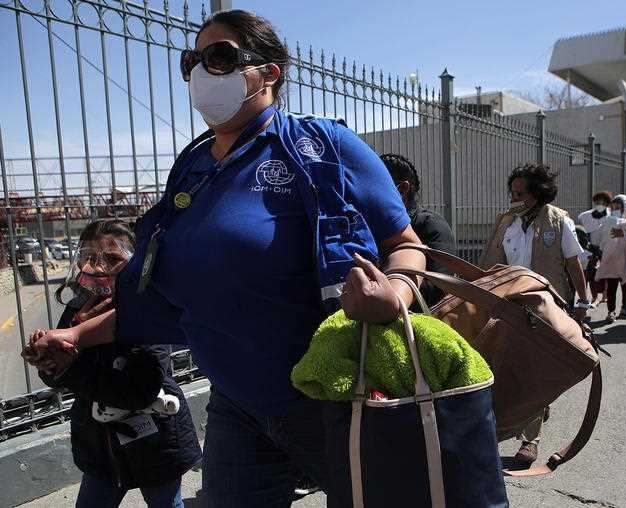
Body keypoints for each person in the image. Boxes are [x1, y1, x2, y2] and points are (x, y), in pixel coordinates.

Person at [23, 10, 426, 507]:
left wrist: (395, 293)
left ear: (269, 72)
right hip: (237, 406)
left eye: (218, 57)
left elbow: (405, 245)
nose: (198, 72)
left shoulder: (324, 147)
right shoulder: (191, 168)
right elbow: (165, 296)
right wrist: (75, 336)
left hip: (334, 399)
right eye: (191, 60)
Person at [36, 219, 202, 508]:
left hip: (158, 442)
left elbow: (140, 390)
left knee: (166, 502)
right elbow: (58, 373)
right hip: (101, 446)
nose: (99, 268)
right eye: (90, 258)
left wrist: (76, 360)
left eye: (112, 259)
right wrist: (51, 360)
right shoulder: (77, 310)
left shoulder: (148, 313)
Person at [480, 163, 590, 465]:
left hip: (546, 308)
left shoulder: (558, 221)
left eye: (521, 193)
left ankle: (531, 439)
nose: (514, 199)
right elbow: (492, 264)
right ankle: (519, 418)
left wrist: (584, 300)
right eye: (512, 192)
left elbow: (572, 264)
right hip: (510, 305)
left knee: (533, 371)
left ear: (538, 193)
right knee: (504, 368)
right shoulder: (505, 222)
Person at [380, 153, 456, 306]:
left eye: (378, 187)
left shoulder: (431, 225)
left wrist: (389, 291)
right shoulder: (373, 225)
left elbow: (440, 287)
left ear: (402, 190)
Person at [595, 195, 626, 322]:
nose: (616, 209)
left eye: (619, 207)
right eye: (614, 207)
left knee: (625, 285)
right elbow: (603, 236)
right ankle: (611, 311)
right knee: (611, 286)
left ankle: (625, 309)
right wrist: (600, 250)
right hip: (611, 258)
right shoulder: (609, 219)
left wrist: (625, 234)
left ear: (625, 207)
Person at [578, 191, 613, 305]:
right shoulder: (585, 216)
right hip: (591, 249)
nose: (599, 204)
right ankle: (594, 297)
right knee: (592, 274)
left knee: (607, 273)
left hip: (606, 248)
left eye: (602, 203)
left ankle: (605, 295)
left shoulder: (612, 217)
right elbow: (583, 233)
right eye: (597, 202)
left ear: (607, 204)